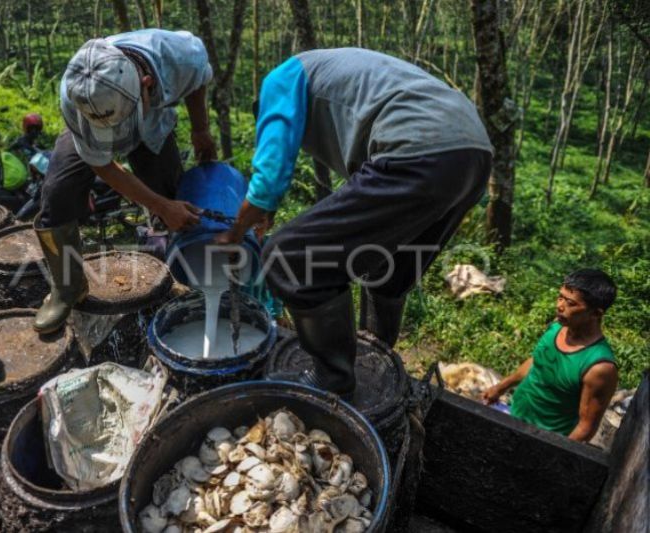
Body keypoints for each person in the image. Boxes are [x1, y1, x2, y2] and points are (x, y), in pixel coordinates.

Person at [216, 49, 493, 396]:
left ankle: (332, 380)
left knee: (290, 257)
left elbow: (269, 173)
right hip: (473, 156)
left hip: (419, 146)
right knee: (388, 266)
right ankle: (375, 355)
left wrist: (236, 232)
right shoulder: (343, 76)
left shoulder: (281, 80)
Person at [33, 29, 218, 334]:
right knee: (57, 193)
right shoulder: (76, 92)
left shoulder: (180, 57)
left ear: (147, 85)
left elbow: (198, 81)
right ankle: (67, 287)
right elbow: (105, 166)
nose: (116, 137)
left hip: (151, 130)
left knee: (174, 198)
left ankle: (181, 279)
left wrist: (201, 129)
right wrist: (159, 205)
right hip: (88, 132)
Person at [483, 269, 618, 442]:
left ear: (595, 314)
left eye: (570, 303)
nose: (560, 306)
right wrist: (501, 387)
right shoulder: (557, 328)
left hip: (543, 439)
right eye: (560, 297)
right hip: (513, 413)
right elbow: (537, 361)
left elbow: (586, 427)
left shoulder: (599, 367)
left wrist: (554, 454)